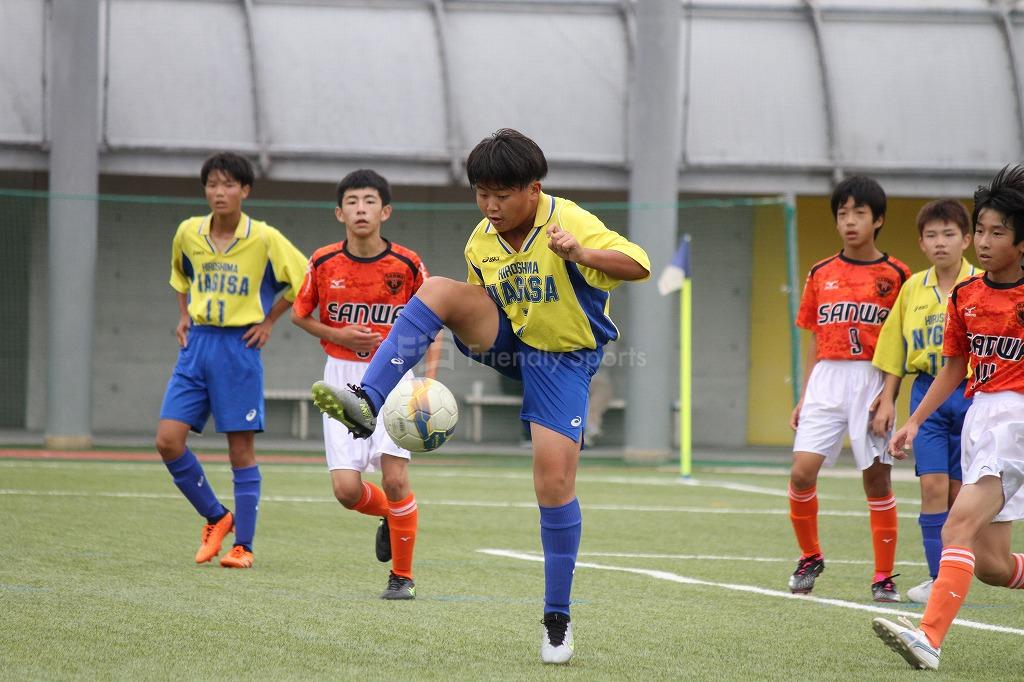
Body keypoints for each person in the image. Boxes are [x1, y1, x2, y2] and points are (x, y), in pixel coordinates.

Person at [311, 129, 650, 664]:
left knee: (552, 481)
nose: (489, 206)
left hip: (562, 358)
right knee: (441, 288)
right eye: (481, 193)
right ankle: (369, 399)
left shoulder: (570, 220)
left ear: (533, 189)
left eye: (502, 194)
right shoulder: (481, 240)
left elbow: (639, 265)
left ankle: (556, 618)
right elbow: (474, 302)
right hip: (510, 343)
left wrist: (580, 251)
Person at [873, 165, 1024, 671]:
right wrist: (914, 420)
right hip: (981, 416)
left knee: (957, 524)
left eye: (996, 232)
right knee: (993, 567)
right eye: (979, 229)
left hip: (1016, 423)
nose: (983, 241)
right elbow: (955, 364)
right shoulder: (967, 295)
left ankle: (929, 639)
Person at [293, 169, 440, 599]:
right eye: (353, 202)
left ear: (385, 211)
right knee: (346, 490)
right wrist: (339, 335)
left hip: (394, 377)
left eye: (370, 201)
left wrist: (427, 383)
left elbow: (432, 322)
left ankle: (402, 577)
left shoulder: (407, 265)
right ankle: (391, 517)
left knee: (396, 480)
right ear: (340, 213)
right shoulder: (322, 262)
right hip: (340, 377)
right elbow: (300, 314)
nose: (361, 209)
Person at [155, 152, 307, 569]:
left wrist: (270, 320)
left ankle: (244, 546)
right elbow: (180, 276)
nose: (219, 193)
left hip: (239, 349)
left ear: (245, 190)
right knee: (168, 439)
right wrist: (184, 315)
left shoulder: (264, 238)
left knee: (240, 451)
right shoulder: (188, 232)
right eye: (211, 185)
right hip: (198, 345)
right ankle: (216, 517)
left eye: (228, 185)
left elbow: (304, 279)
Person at [787, 176, 911, 601]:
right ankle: (810, 556)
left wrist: (889, 396)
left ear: (878, 220)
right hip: (826, 378)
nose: (850, 221)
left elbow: (901, 341)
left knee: (876, 481)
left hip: (871, 379)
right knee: (802, 472)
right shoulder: (821, 272)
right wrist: (805, 395)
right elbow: (812, 337)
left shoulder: (898, 275)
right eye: (843, 214)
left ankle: (883, 577)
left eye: (860, 213)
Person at [870, 200, 978, 604]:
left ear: (967, 239)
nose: (940, 242)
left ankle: (960, 572)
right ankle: (937, 580)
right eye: (931, 235)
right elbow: (894, 349)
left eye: (949, 234)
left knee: (960, 495)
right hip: (927, 393)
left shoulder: (983, 283)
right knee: (932, 487)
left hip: (972, 396)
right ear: (920, 242)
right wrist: (887, 400)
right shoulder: (912, 287)